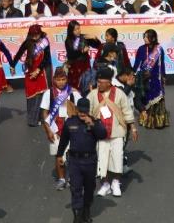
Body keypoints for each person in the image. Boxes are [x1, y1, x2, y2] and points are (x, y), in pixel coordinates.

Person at [88, 67, 137, 198]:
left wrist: (133, 128)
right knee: (102, 160)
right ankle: (105, 185)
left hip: (117, 133)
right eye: (97, 82)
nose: (98, 84)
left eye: (101, 82)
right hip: (100, 135)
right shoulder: (93, 95)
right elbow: (87, 112)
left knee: (117, 158)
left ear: (109, 82)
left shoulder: (120, 94)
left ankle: (116, 182)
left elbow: (127, 111)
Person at [57, 97, 107, 223]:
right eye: (80, 110)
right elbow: (63, 140)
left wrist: (92, 124)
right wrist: (59, 155)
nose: (82, 113)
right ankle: (77, 216)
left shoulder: (95, 122)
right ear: (77, 109)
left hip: (90, 160)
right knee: (75, 188)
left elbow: (103, 135)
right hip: (74, 161)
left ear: (88, 110)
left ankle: (86, 210)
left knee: (90, 188)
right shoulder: (70, 122)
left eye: (84, 111)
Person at [41, 67, 82, 191]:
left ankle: (71, 178)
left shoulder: (73, 93)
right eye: (58, 80)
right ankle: (61, 179)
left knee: (72, 155)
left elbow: (80, 110)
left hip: (72, 130)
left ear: (67, 79)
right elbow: (44, 113)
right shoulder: (48, 93)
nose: (61, 82)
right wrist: (48, 130)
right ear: (54, 80)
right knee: (58, 156)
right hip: (56, 130)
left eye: (63, 79)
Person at [11, 24, 52, 127]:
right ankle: (32, 120)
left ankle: (43, 118)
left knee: (42, 95)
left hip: (43, 71)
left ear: (40, 33)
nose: (34, 37)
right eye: (32, 35)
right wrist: (12, 65)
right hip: (31, 70)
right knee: (31, 94)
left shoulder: (44, 42)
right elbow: (19, 52)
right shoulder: (28, 42)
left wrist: (38, 70)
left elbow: (46, 58)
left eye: (36, 35)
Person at [132, 29, 169, 129]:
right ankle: (146, 119)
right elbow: (137, 63)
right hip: (144, 78)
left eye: (146, 37)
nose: (144, 38)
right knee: (146, 98)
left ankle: (159, 122)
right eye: (144, 36)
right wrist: (132, 73)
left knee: (157, 99)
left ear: (152, 38)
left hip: (156, 78)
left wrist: (164, 76)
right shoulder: (141, 49)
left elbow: (162, 64)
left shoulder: (159, 49)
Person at [64, 20, 101, 90]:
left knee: (87, 84)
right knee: (75, 86)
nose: (78, 31)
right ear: (71, 31)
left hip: (85, 65)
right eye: (75, 30)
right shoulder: (68, 40)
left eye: (78, 28)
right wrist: (82, 51)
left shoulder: (84, 37)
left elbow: (98, 46)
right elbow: (71, 54)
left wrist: (95, 38)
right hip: (74, 66)